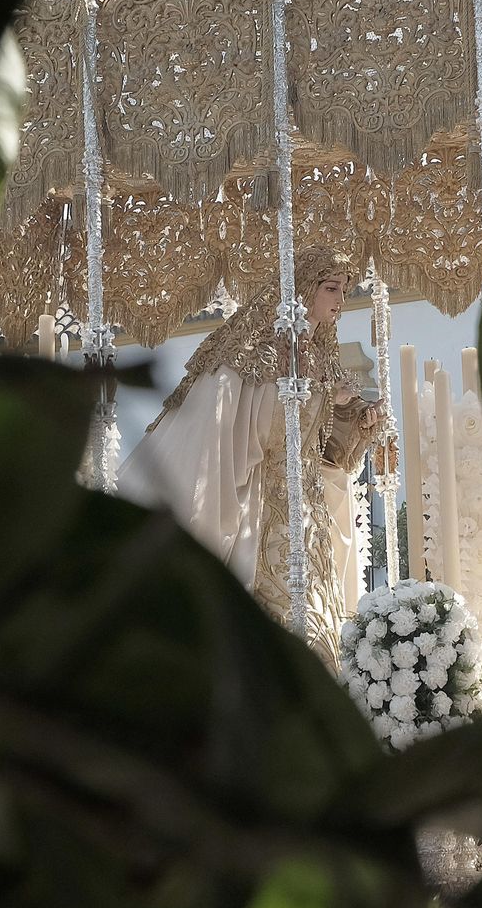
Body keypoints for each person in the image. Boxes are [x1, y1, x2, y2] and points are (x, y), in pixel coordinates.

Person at [118, 246, 382, 670]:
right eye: (331, 288)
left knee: (320, 625)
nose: (339, 300)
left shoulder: (321, 355)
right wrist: (319, 397)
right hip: (265, 509)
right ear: (303, 290)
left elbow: (323, 450)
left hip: (309, 513)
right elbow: (257, 428)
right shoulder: (264, 349)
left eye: (344, 290)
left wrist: (356, 421)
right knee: (284, 627)